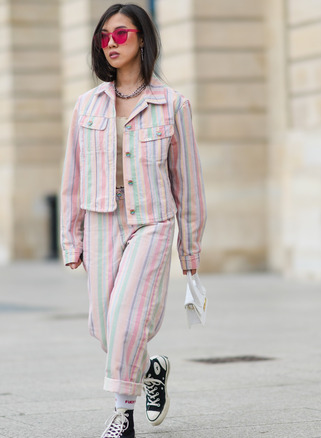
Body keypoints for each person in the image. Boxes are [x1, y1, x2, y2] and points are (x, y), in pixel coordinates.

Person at [60, 4, 207, 437]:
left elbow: (189, 183)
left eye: (121, 35)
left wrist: (190, 249)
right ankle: (151, 370)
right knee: (105, 327)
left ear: (143, 38)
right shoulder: (85, 106)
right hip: (102, 221)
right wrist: (72, 239)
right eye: (104, 36)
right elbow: (72, 177)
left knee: (126, 319)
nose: (111, 44)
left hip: (152, 223)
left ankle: (122, 416)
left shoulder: (173, 105)